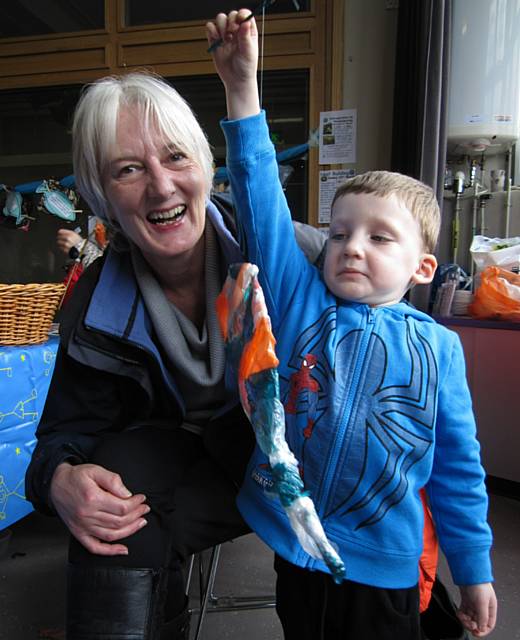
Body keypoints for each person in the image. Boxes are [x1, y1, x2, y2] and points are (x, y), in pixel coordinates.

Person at [207, 10, 497, 639]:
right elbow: (261, 199)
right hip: (297, 547)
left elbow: (457, 467)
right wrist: (241, 88)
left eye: (378, 236)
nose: (352, 247)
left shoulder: (441, 349)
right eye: (339, 233)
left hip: (386, 569)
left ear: (422, 267)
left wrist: (474, 570)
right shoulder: (300, 298)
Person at [25, 69, 327, 639]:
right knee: (114, 501)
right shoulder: (96, 299)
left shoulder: (299, 255)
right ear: (101, 195)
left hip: (301, 472)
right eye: (129, 169)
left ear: (206, 166)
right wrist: (59, 478)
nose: (161, 188)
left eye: (175, 158)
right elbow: (66, 431)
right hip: (192, 478)